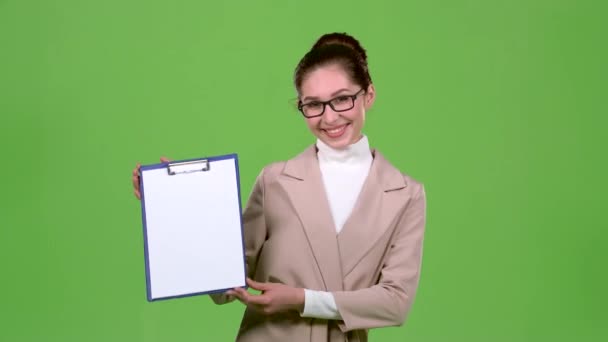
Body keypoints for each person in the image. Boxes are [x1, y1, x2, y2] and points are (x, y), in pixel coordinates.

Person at [132, 32, 426, 342]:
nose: (329, 117)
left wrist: (302, 300)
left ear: (368, 94)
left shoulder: (406, 194)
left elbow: (395, 303)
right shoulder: (274, 181)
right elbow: (226, 282)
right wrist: (180, 206)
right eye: (313, 104)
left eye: (342, 99)